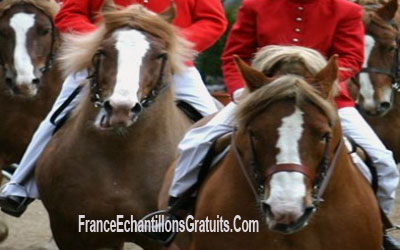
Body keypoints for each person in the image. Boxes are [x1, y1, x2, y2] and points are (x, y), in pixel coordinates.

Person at [152, 0, 400, 248]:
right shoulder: (255, 6)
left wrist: (314, 81)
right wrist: (242, 90)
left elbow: (352, 58)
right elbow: (234, 56)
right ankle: (174, 213)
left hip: (325, 98)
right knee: (196, 141)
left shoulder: (347, 10)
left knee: (382, 160)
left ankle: (379, 229)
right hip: (260, 97)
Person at [0, 0, 227, 217]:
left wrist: (167, 42)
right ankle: (20, 184)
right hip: (104, 59)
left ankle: (213, 193)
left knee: (212, 124)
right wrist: (105, 41)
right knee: (56, 116)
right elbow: (68, 15)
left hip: (167, 61)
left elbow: (213, 20)